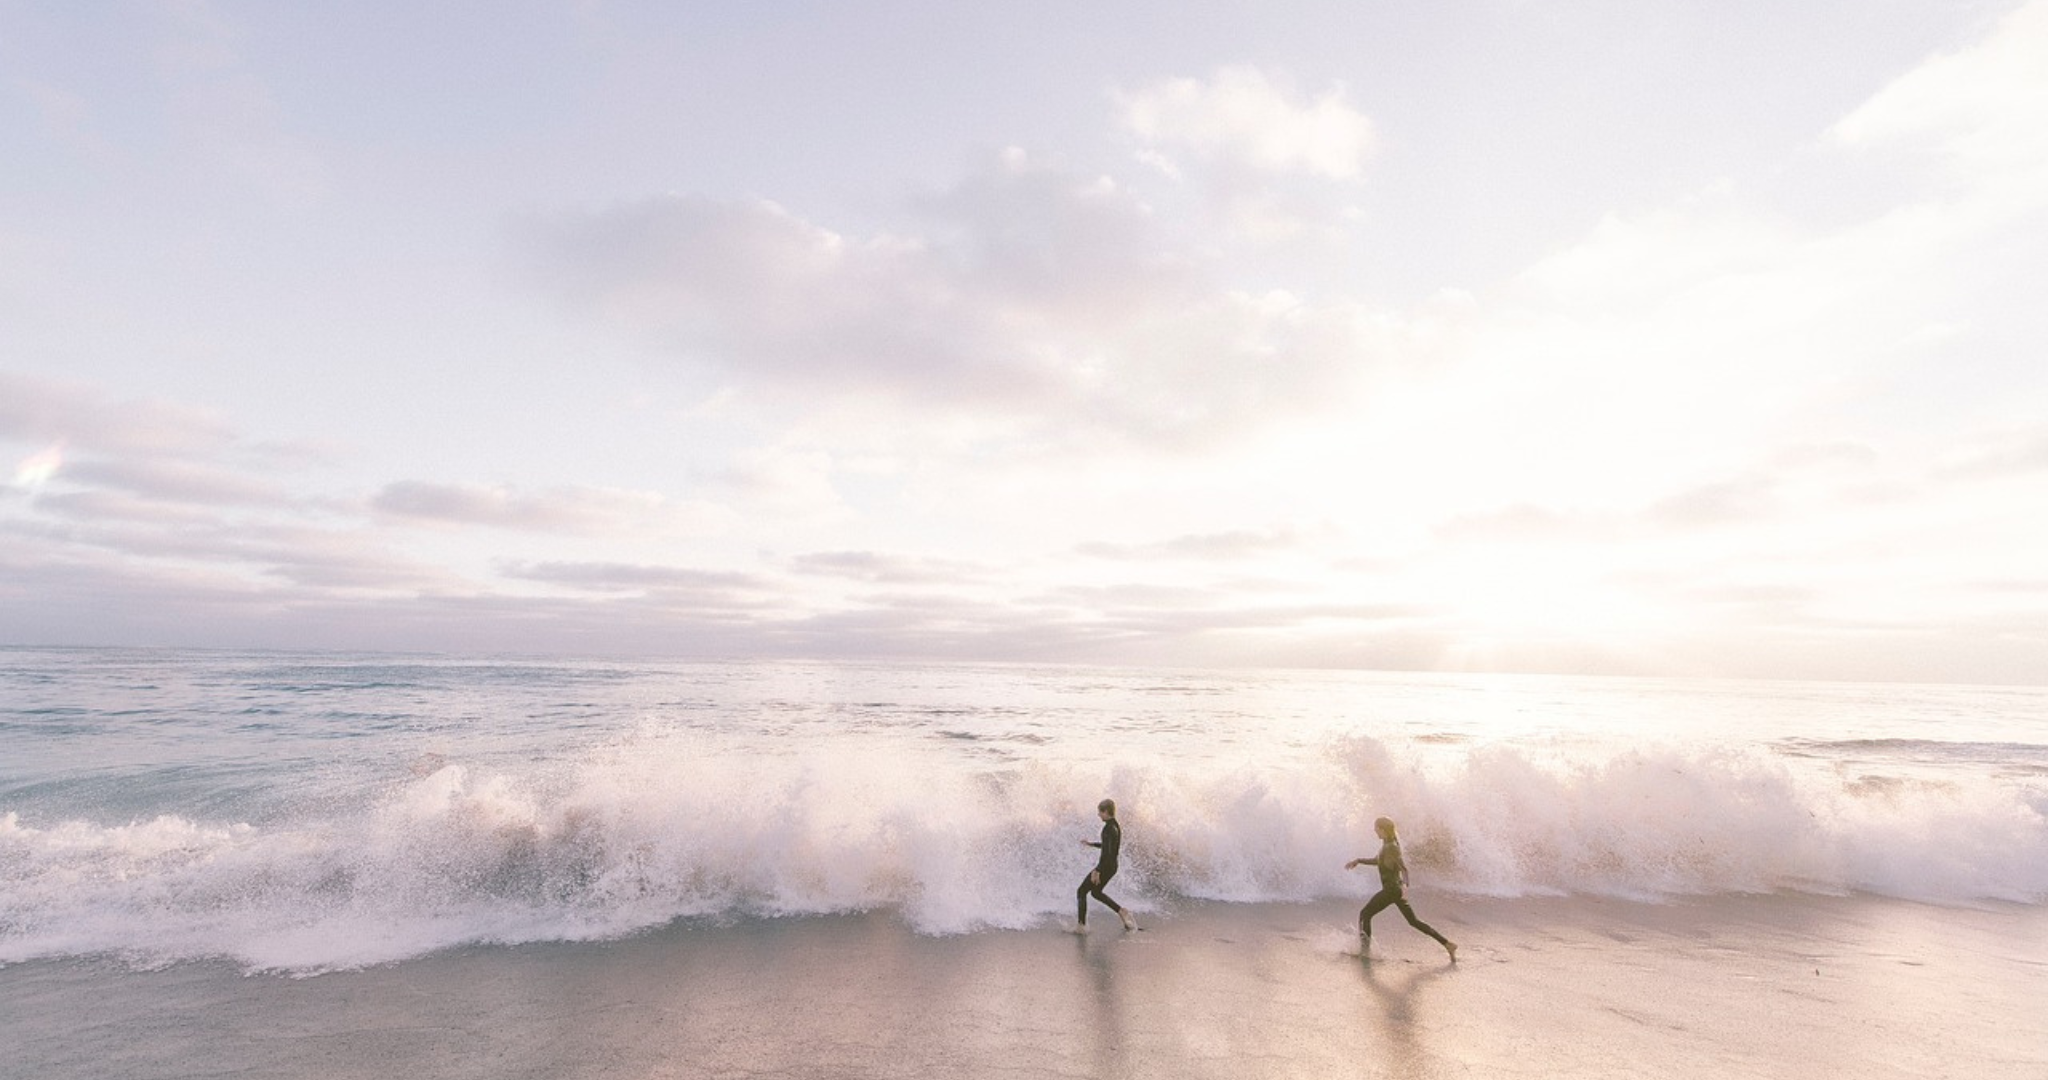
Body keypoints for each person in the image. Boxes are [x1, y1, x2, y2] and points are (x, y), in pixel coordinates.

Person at [1345, 816, 1456, 961]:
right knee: (1414, 921)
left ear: (1382, 829)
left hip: (1392, 890)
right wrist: (1359, 861)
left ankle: (1365, 951)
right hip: (1394, 891)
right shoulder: (1387, 844)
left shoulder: (1392, 847)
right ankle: (1447, 944)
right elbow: (1378, 861)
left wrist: (1405, 886)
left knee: (1365, 914)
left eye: (1376, 828)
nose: (1374, 830)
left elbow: (1404, 869)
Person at [1076, 798, 1137, 931]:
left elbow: (1107, 853)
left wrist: (1097, 870)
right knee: (1096, 893)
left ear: (1106, 812)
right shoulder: (1114, 826)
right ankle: (1121, 911)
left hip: (1106, 866)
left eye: (1100, 812)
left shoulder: (1108, 829)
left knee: (1081, 891)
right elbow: (1108, 846)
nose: (1098, 815)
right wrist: (1092, 844)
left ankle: (1081, 926)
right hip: (1111, 866)